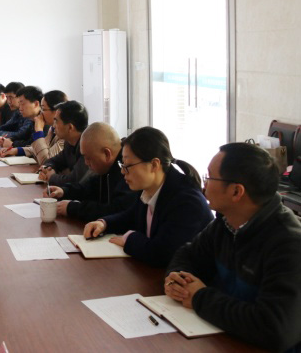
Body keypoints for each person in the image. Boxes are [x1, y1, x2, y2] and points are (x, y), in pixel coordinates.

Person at [165, 143, 301, 351]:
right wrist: (178, 279)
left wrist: (200, 297)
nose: (204, 186)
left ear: (236, 191)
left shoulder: (288, 244)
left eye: (210, 177)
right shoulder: (226, 222)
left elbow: (275, 328)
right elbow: (188, 254)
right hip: (227, 338)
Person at [83, 126, 213, 268]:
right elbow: (131, 216)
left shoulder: (187, 202)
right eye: (122, 164)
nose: (122, 172)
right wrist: (104, 223)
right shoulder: (149, 188)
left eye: (128, 165)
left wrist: (129, 238)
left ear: (154, 165)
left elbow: (162, 253)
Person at [46, 122, 136, 221]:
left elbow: (115, 211)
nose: (86, 163)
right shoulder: (107, 168)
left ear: (107, 154)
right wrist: (64, 191)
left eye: (88, 158)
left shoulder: (127, 170)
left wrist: (72, 208)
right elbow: (89, 188)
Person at [0, 89, 67, 165]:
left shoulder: (65, 134)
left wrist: (39, 131)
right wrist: (16, 150)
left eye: (43, 109)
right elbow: (41, 149)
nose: (40, 113)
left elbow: (46, 161)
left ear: (56, 111)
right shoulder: (52, 129)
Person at [38, 100, 90, 187]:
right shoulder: (69, 142)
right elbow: (54, 161)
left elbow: (74, 180)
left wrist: (51, 177)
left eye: (56, 121)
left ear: (70, 127)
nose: (53, 126)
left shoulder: (88, 146)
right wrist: (47, 168)